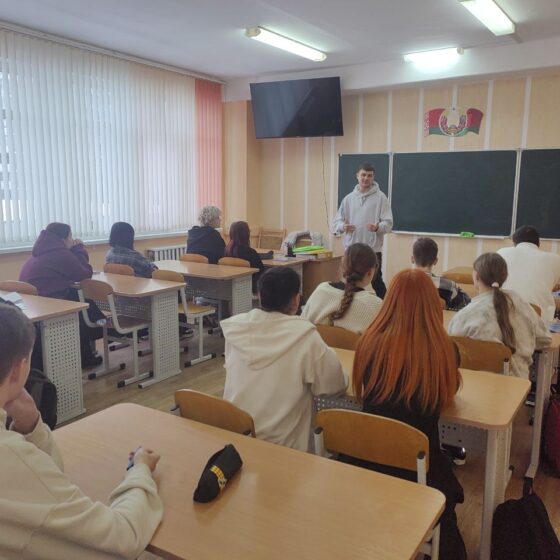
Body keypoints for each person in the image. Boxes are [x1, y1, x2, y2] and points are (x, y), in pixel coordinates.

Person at [0, 303, 163, 559]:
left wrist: (32, 426)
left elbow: (49, 475)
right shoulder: (10, 455)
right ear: (19, 369)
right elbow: (122, 537)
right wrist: (140, 471)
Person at [349, 269, 466, 560]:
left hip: (365, 463)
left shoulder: (368, 342)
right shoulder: (443, 350)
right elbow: (447, 396)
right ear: (432, 305)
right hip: (419, 472)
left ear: (390, 301)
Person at [221, 267, 348, 452]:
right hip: (286, 448)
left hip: (236, 440)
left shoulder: (236, 328)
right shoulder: (305, 335)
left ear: (259, 296)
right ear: (296, 300)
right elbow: (333, 386)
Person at [448, 253, 551, 378]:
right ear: (505, 276)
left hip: (476, 383)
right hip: (518, 384)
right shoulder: (519, 303)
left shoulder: (465, 315)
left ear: (476, 276)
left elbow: (452, 348)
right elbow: (545, 340)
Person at [19, 222, 103, 367]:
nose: (72, 240)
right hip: (48, 303)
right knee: (81, 302)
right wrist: (79, 249)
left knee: (78, 296)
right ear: (63, 238)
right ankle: (90, 347)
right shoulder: (60, 253)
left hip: (33, 302)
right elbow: (84, 274)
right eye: (70, 237)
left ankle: (90, 342)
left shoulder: (41, 250)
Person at [332, 163, 393, 298]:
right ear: (357, 176)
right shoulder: (348, 199)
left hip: (373, 249)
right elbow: (336, 222)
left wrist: (378, 227)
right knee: (350, 280)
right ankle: (348, 305)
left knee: (377, 281)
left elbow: (389, 223)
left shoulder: (381, 198)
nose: (366, 178)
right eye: (363, 175)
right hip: (352, 249)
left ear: (373, 177)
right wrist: (343, 227)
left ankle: (387, 307)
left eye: (369, 175)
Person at [301, 243, 382, 333]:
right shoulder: (375, 305)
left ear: (343, 266)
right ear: (370, 272)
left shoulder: (321, 290)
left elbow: (302, 326)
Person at [497, 226, 560, 322]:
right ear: (538, 243)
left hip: (502, 315)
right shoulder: (555, 259)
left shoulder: (501, 252)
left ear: (514, 242)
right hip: (538, 319)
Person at [411, 237, 471, 310]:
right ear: (435, 261)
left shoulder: (401, 284)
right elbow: (466, 306)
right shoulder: (448, 286)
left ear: (412, 259)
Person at [224, 221, 264, 293]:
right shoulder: (250, 252)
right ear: (246, 234)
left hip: (230, 287)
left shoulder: (226, 251)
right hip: (250, 287)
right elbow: (261, 271)